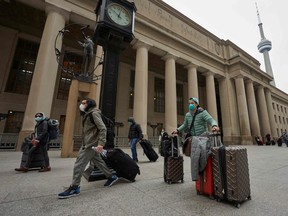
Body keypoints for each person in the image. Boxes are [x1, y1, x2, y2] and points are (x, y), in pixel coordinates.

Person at [58, 98, 118, 199]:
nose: (81, 104)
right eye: (82, 103)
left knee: (79, 164)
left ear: (89, 104)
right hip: (88, 142)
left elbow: (102, 128)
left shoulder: (94, 113)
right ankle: (111, 176)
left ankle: (74, 187)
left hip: (91, 144)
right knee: (98, 161)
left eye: (84, 103)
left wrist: (101, 144)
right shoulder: (87, 114)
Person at [172, 97, 220, 181]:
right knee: (194, 157)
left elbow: (210, 120)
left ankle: (201, 172)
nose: (190, 105)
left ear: (197, 104)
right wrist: (177, 130)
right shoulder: (188, 115)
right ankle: (197, 175)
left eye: (192, 103)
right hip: (193, 139)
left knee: (202, 155)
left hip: (203, 137)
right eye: (189, 103)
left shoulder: (203, 113)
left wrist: (214, 126)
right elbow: (185, 125)